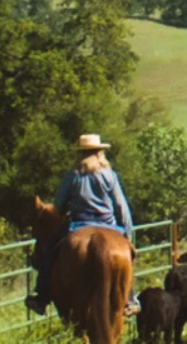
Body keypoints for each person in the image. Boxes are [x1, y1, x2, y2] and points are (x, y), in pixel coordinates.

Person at [26, 134, 137, 315]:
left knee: (48, 252)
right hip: (109, 225)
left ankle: (41, 297)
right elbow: (121, 207)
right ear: (100, 153)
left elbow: (59, 205)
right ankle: (130, 299)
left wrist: (65, 210)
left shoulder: (74, 176)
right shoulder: (110, 176)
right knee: (129, 257)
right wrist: (128, 235)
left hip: (78, 225)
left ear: (80, 154)